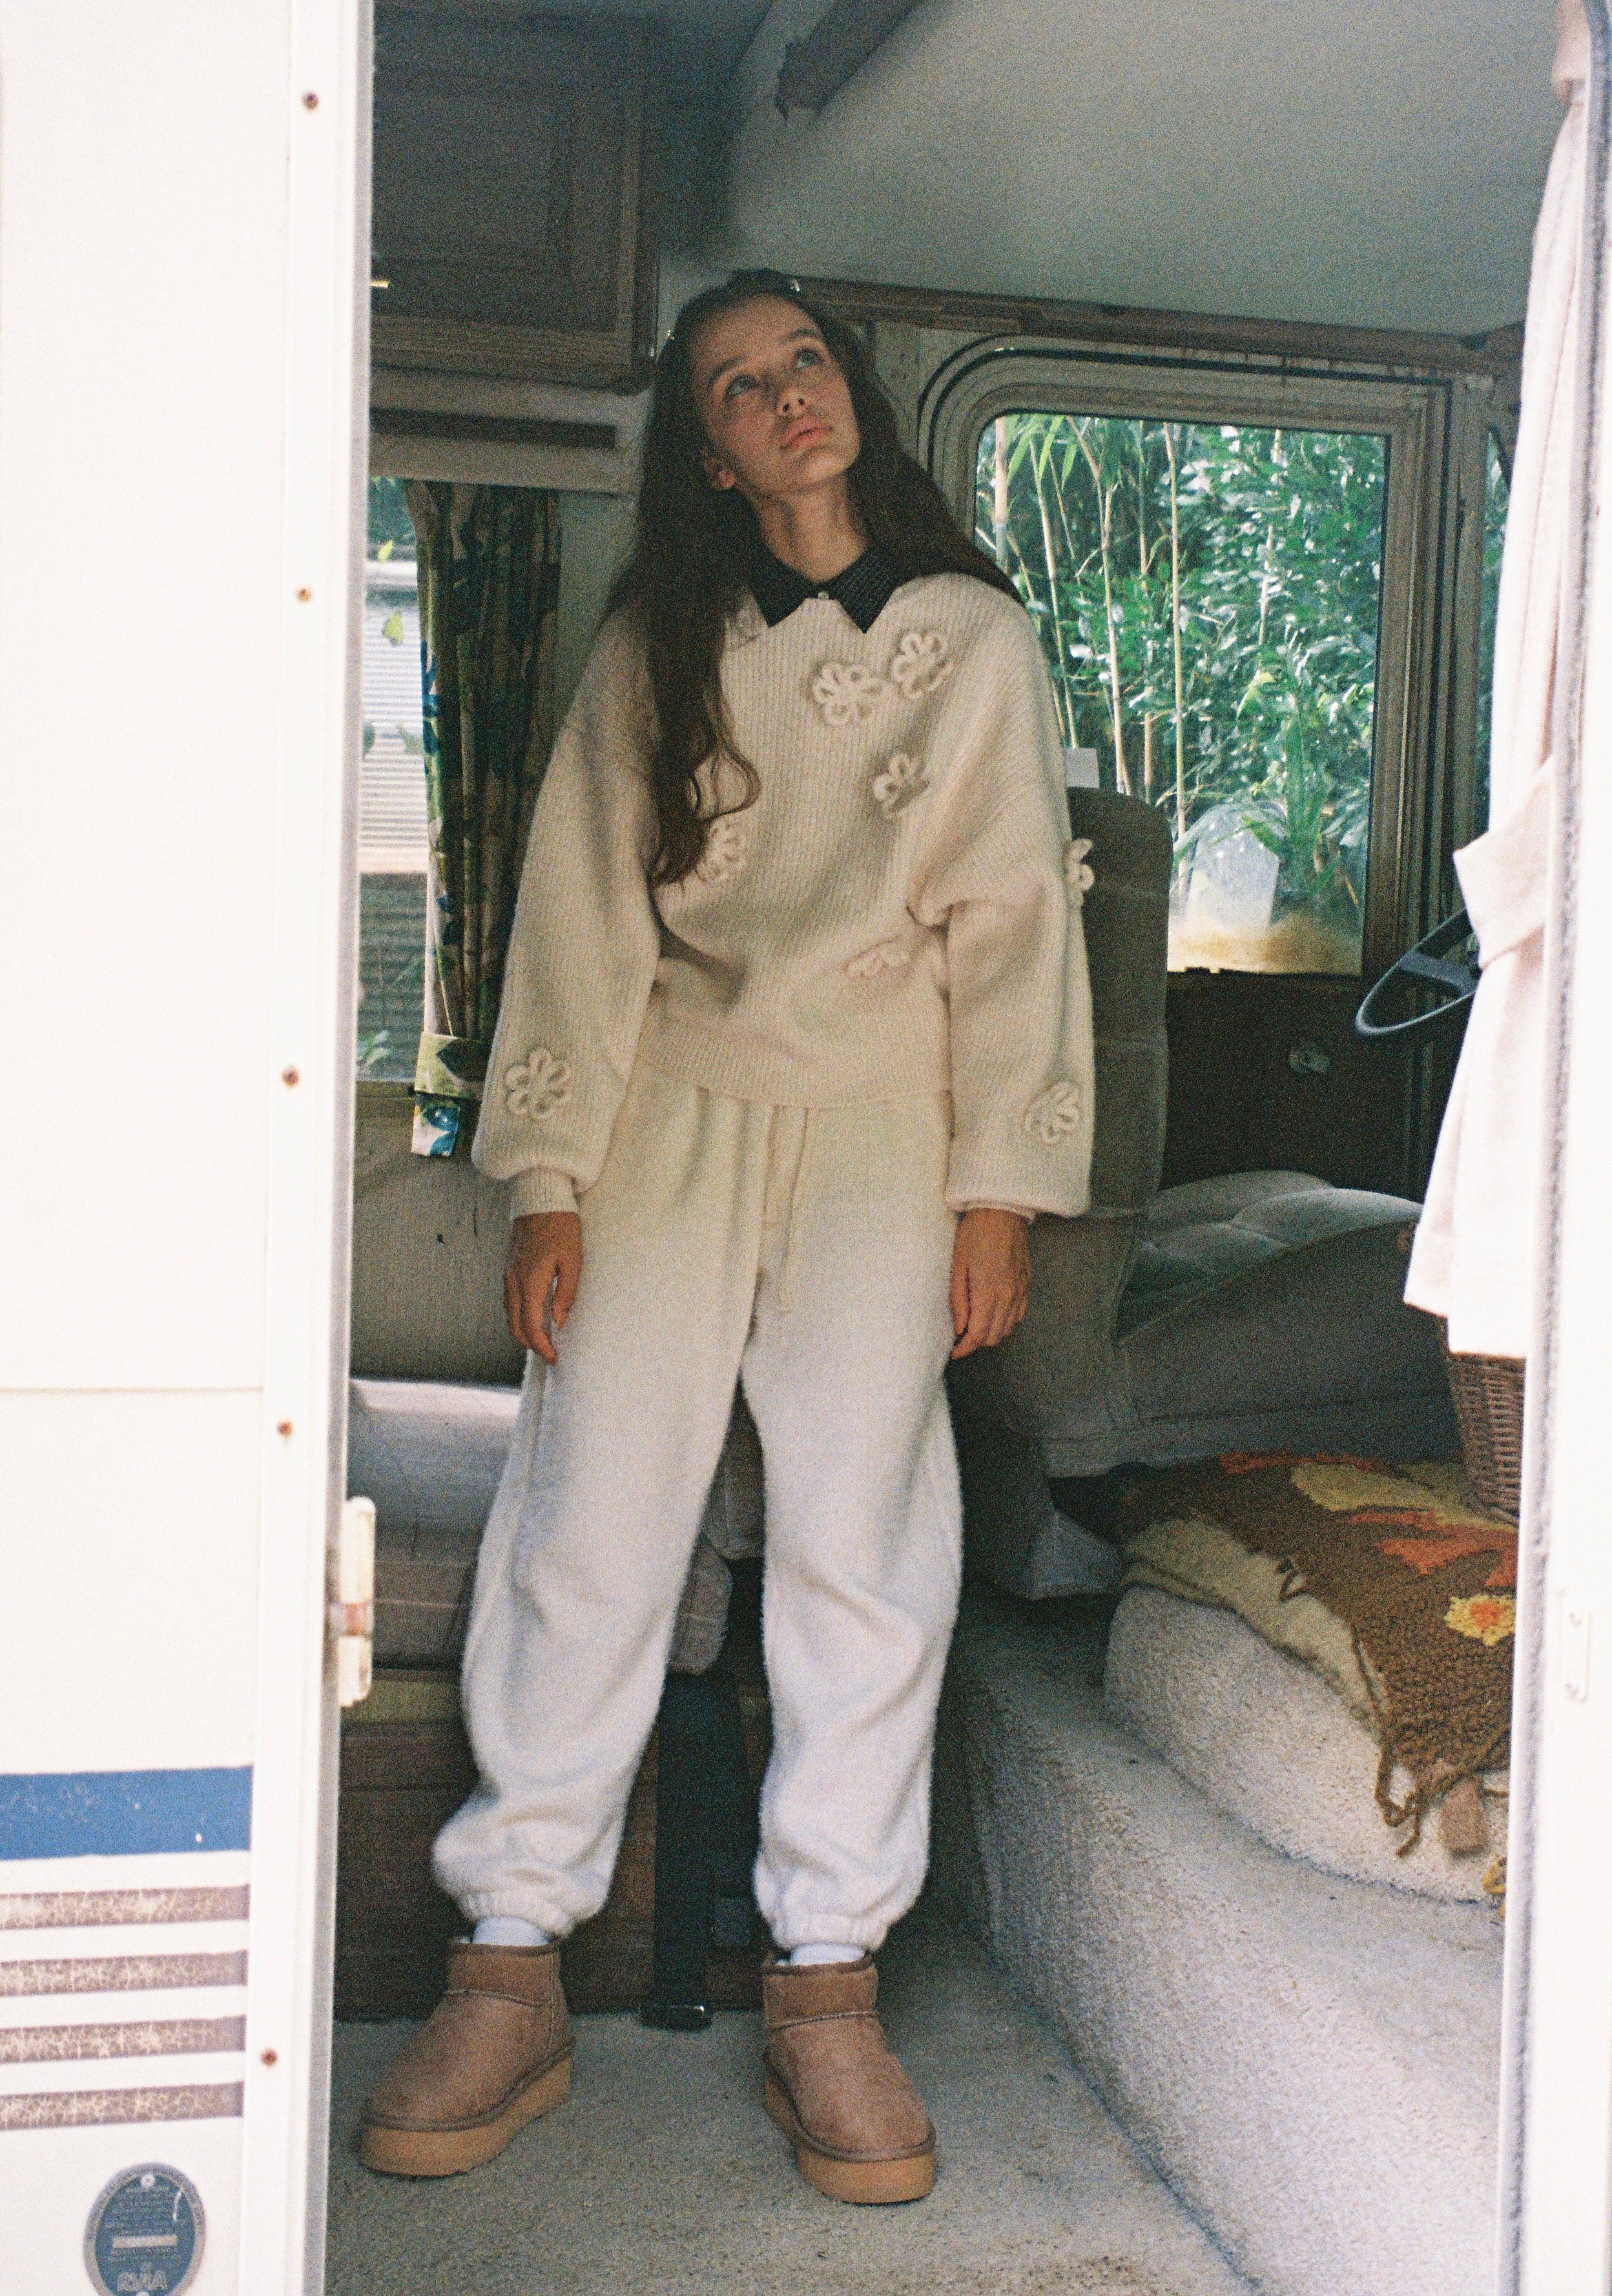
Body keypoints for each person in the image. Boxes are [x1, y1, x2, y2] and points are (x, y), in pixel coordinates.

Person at [358, 271, 1094, 2204]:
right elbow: (581, 915)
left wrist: (996, 1191)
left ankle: (826, 1988)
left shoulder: (973, 640)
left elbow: (1016, 920)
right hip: (665, 1115)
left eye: (805, 363)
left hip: (885, 1128)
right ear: (706, 451)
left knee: (865, 1543)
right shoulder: (657, 641)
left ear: (850, 392)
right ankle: (508, 1959)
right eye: (740, 386)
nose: (786, 398)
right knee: (590, 1514)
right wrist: (547, 1180)